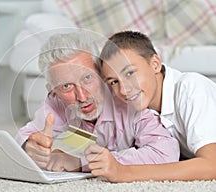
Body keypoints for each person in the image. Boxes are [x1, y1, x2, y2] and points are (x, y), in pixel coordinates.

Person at [15, 31, 179, 173]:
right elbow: (23, 137)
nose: (82, 96)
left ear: (101, 74)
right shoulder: (56, 102)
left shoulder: (129, 98)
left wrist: (82, 162)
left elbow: (166, 153)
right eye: (66, 86)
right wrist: (29, 147)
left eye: (87, 78)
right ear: (53, 91)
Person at [93, 30, 216, 182]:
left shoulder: (191, 88)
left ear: (155, 64)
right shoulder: (137, 108)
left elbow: (212, 166)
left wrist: (125, 173)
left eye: (130, 73)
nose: (124, 90)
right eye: (114, 82)